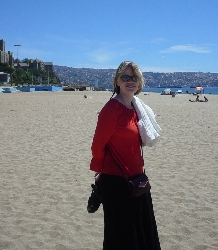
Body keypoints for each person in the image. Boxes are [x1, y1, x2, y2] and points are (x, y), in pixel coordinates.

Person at [89, 61, 161, 250]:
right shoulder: (111, 109)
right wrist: (100, 171)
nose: (131, 81)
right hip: (116, 182)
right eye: (125, 77)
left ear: (140, 82)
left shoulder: (136, 109)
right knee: (122, 237)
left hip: (137, 180)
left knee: (141, 232)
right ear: (117, 81)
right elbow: (98, 145)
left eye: (134, 77)